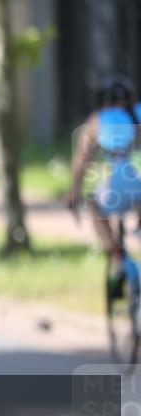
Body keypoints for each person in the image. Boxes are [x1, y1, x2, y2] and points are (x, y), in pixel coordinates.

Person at [68, 74, 141, 284]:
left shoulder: (97, 119)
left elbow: (82, 162)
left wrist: (75, 191)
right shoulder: (138, 112)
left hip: (118, 182)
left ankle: (116, 256)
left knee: (95, 205)